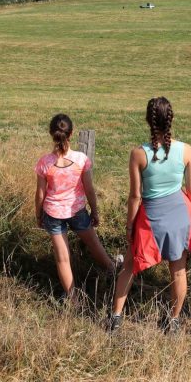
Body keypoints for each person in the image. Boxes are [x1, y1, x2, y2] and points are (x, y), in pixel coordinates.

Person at [108, 97, 191, 334]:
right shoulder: (186, 150)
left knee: (130, 267)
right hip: (180, 216)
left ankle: (115, 317)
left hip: (151, 218)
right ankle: (173, 321)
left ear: (148, 120)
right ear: (171, 118)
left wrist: (130, 226)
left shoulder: (138, 154)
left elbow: (135, 196)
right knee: (179, 270)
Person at [35, 113, 119, 301]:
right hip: (77, 210)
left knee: (62, 258)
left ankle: (72, 298)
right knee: (94, 244)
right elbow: (89, 189)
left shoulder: (44, 162)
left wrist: (38, 214)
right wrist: (95, 211)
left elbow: (40, 194)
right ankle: (113, 272)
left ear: (51, 134)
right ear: (71, 134)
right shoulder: (81, 160)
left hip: (53, 213)